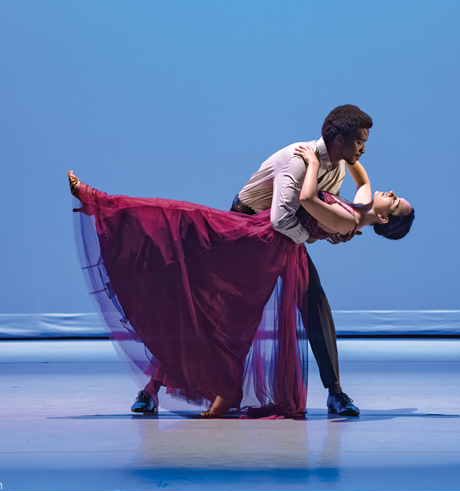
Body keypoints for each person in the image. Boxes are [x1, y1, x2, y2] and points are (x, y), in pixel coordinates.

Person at [68, 153, 413, 418]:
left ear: (383, 218)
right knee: (188, 245)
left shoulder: (349, 218)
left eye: (396, 201)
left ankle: (332, 391)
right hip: (258, 233)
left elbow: (308, 200)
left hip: (275, 247)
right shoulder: (356, 198)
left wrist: (311, 162)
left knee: (294, 304)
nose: (393, 193)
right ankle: (153, 388)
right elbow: (359, 173)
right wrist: (348, 151)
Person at [230, 104, 388, 416]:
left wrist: (334, 231)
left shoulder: (337, 167)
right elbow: (281, 220)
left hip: (285, 239)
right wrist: (320, 235)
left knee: (314, 300)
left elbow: (315, 214)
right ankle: (153, 389)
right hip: (247, 231)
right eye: (360, 142)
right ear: (339, 140)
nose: (363, 150)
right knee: (222, 309)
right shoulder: (299, 160)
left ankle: (335, 392)